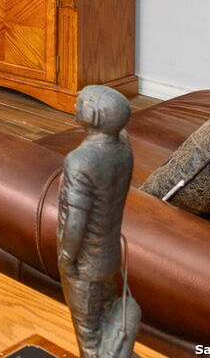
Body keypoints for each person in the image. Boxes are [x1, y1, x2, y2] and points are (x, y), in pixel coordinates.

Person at [57, 85, 142, 358]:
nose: (75, 104)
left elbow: (74, 221)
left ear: (95, 114)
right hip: (110, 256)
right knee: (107, 320)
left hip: (85, 265)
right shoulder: (123, 146)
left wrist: (66, 258)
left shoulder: (79, 161)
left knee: (90, 336)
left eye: (82, 101)